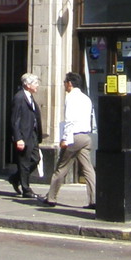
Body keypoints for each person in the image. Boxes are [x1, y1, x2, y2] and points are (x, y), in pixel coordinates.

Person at [41, 72, 95, 209]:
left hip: (74, 137)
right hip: (86, 136)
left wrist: (65, 138)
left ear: (70, 83)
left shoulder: (71, 98)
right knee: (88, 169)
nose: (64, 85)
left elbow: (69, 120)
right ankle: (94, 199)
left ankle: (51, 198)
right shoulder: (86, 98)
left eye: (65, 82)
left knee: (61, 168)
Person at [8, 72, 43, 198]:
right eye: (35, 83)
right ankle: (26, 189)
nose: (37, 85)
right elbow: (15, 120)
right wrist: (18, 138)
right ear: (27, 85)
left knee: (35, 159)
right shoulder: (19, 97)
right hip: (23, 135)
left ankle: (15, 178)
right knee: (24, 162)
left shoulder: (30, 97)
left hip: (32, 134)